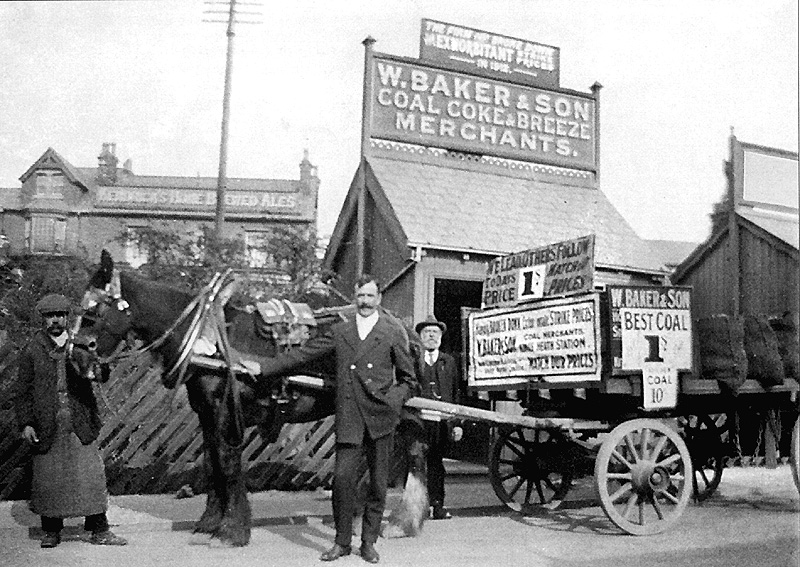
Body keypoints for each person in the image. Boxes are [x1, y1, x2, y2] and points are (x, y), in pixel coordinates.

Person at [241, 275, 418, 564]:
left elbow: (410, 381)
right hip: (350, 417)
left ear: (379, 300)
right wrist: (263, 367)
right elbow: (301, 356)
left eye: (370, 296)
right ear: (354, 297)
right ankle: (341, 542)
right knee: (342, 481)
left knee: (376, 484)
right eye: (360, 296)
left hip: (380, 418)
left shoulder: (391, 333)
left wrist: (392, 400)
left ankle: (369, 542)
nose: (365, 302)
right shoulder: (340, 332)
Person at [16, 293, 127, 548]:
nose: (55, 320)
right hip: (47, 423)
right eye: (50, 316)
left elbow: (100, 373)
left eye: (60, 315)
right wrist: (26, 423)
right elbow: (22, 392)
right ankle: (52, 531)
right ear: (43, 319)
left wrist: (99, 367)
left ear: (67, 318)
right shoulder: (33, 350)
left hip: (79, 421)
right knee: (49, 478)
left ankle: (100, 529)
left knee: (90, 477)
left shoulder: (80, 344)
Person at [414, 315, 463, 520]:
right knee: (416, 463)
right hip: (418, 421)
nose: (431, 336)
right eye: (427, 332)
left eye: (435, 332)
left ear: (441, 337)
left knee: (436, 464)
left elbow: (456, 392)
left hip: (441, 422)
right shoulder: (413, 360)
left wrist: (457, 422)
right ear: (420, 337)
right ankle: (417, 508)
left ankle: (438, 505)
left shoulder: (448, 362)